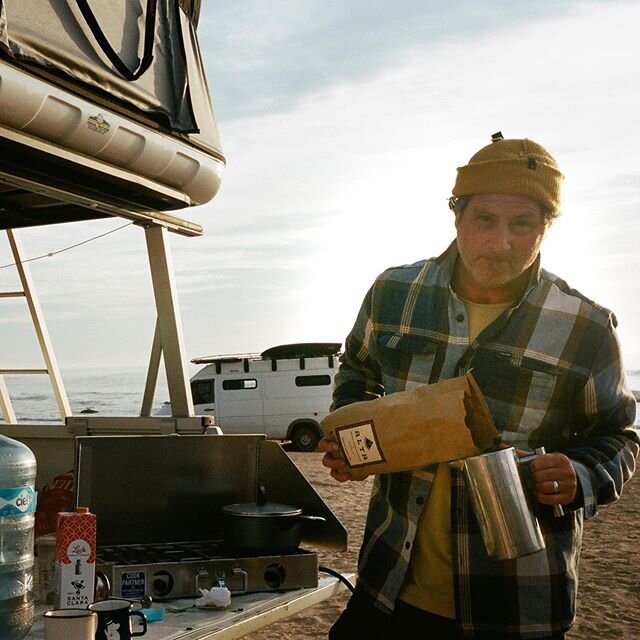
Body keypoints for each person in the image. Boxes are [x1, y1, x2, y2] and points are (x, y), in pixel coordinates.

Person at [320, 133, 639, 640]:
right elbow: (357, 373)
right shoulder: (393, 293)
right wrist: (354, 441)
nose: (501, 242)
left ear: (545, 229)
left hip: (516, 603)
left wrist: (582, 473)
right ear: (457, 216)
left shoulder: (586, 327)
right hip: (388, 587)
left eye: (523, 224)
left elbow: (620, 437)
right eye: (484, 220)